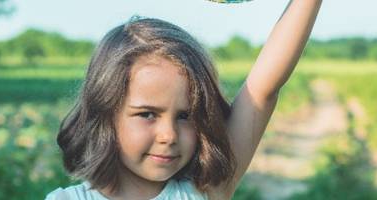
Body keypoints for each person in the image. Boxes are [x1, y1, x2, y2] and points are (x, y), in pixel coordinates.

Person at [46, 0, 322, 199]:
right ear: (105, 113)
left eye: (185, 116)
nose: (169, 135)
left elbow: (262, 90)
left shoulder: (204, 191)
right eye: (148, 114)